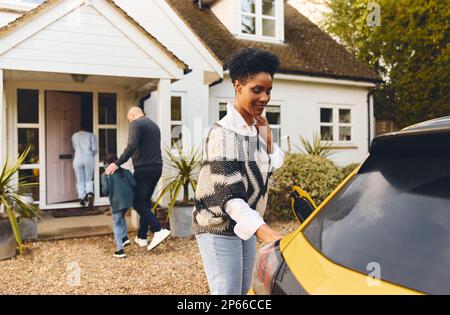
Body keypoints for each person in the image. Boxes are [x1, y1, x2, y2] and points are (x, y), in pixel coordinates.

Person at [192, 48, 285, 295]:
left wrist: (267, 138)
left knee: (242, 292)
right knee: (228, 293)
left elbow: (275, 165)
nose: (265, 97)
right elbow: (230, 196)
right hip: (219, 225)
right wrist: (267, 233)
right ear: (238, 86)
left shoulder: (254, 130)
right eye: (257, 90)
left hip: (245, 225)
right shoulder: (222, 134)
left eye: (268, 91)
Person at [105, 107, 171, 251]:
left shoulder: (136, 123)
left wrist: (117, 163)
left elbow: (131, 146)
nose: (130, 123)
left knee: (137, 202)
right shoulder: (154, 126)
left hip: (144, 169)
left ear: (133, 115)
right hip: (157, 168)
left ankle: (158, 230)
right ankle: (141, 236)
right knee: (145, 202)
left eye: (129, 120)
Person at [101, 153, 135, 258]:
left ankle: (120, 250)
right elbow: (134, 184)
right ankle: (124, 238)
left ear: (106, 164)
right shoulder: (126, 172)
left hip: (116, 202)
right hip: (128, 201)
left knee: (116, 224)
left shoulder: (105, 175)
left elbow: (105, 191)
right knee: (121, 217)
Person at [71, 123, 97, 209]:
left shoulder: (75, 135)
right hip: (88, 157)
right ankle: (89, 193)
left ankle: (82, 198)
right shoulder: (91, 135)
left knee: (80, 179)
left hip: (77, 158)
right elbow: (94, 149)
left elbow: (74, 147)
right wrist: (90, 154)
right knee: (88, 178)